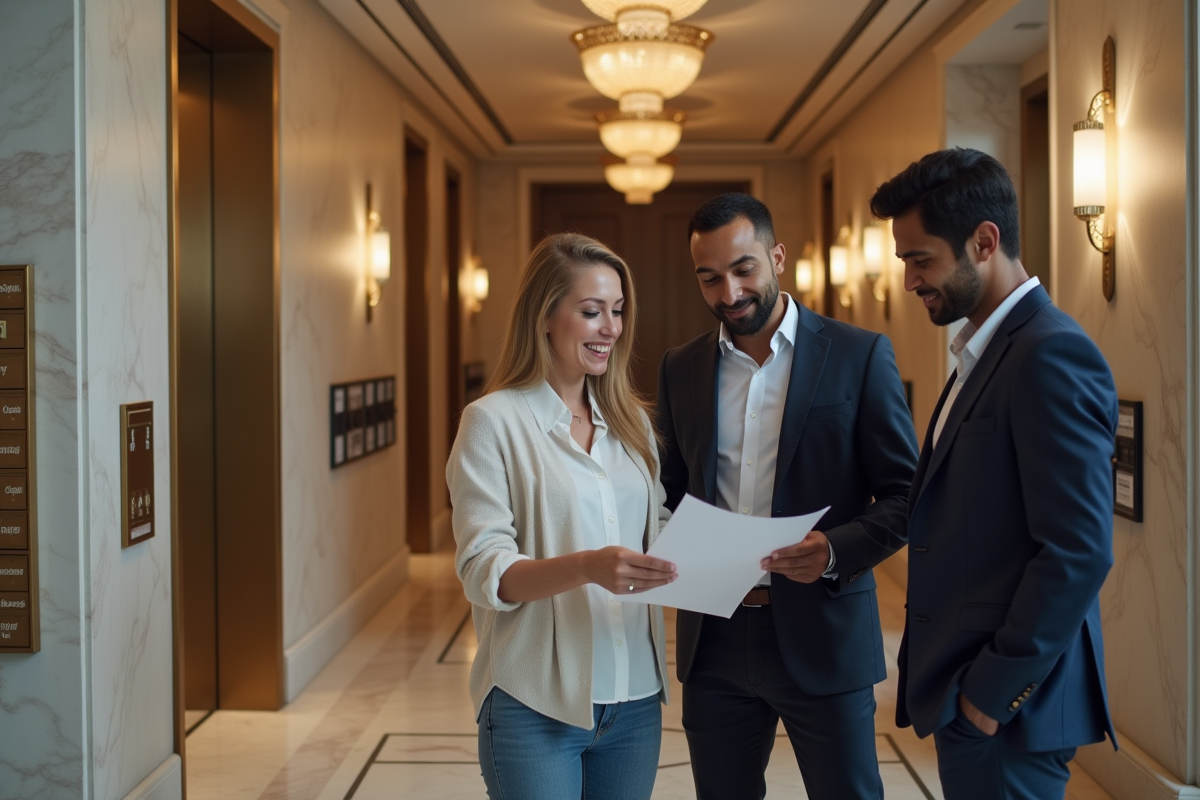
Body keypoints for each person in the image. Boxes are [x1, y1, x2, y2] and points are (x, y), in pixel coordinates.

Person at [869, 147, 1118, 800]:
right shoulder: (986, 350)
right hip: (968, 698)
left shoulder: (1050, 353)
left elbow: (1078, 550)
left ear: (984, 242)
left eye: (920, 260)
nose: (909, 281)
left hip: (1006, 711)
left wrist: (991, 696)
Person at [655, 192, 919, 800]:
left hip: (825, 632)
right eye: (710, 278)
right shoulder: (680, 368)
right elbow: (666, 493)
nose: (729, 293)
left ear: (777, 257)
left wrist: (833, 550)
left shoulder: (859, 356)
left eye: (744, 269)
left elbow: (908, 495)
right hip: (714, 639)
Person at [446, 232, 677, 800]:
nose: (611, 329)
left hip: (636, 699)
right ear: (545, 316)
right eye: (592, 311)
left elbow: (660, 531)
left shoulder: (632, 423)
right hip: (534, 703)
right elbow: (486, 571)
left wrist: (730, 549)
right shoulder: (491, 422)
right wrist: (589, 567)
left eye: (618, 312)